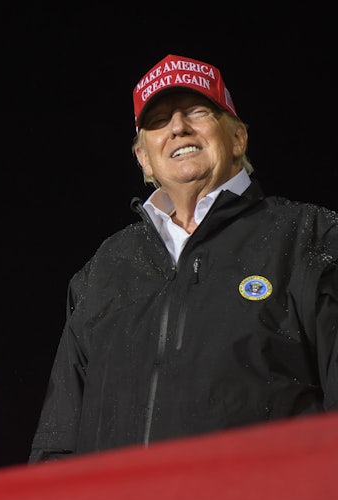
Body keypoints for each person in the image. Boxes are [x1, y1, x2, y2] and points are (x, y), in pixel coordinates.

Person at [29, 54, 338, 462]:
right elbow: (58, 436)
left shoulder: (310, 236)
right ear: (144, 158)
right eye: (158, 121)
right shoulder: (105, 267)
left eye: (197, 110)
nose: (178, 127)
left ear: (238, 138)